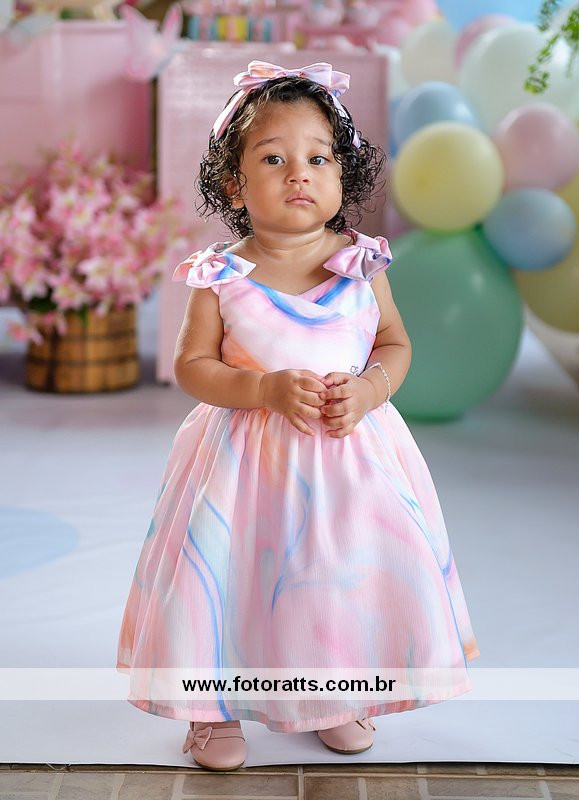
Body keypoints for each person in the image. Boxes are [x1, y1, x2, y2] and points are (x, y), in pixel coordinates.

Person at [116, 60, 480, 771]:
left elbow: (394, 343)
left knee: (335, 576)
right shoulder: (222, 276)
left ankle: (332, 694)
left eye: (318, 158)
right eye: (273, 159)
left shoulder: (360, 265)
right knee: (233, 580)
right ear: (234, 185)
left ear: (342, 175)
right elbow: (193, 366)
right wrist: (262, 389)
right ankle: (212, 709)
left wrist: (370, 389)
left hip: (349, 465)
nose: (298, 175)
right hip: (245, 469)